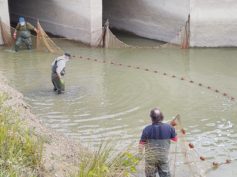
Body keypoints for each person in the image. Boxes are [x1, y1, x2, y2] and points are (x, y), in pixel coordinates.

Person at [139, 108, 177, 177]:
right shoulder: (170, 128)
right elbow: (175, 139)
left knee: (150, 175)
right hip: (163, 157)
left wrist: (140, 155)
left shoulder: (146, 129)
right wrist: (172, 128)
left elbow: (141, 144)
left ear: (151, 118)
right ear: (162, 117)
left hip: (150, 158)